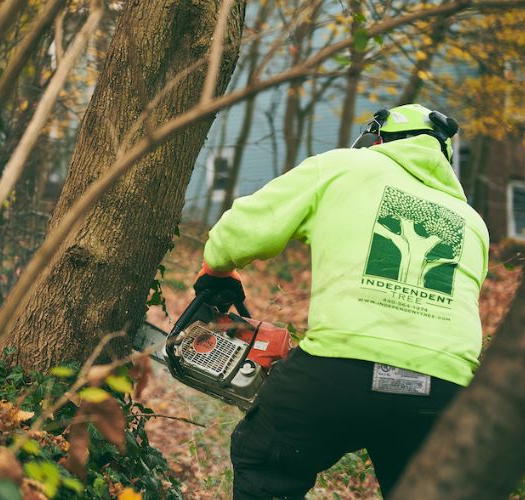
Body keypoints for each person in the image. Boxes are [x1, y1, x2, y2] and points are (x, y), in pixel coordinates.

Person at [194, 104, 489, 499]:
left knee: (266, 460)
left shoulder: (343, 167)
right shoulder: (472, 221)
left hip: (341, 371)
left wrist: (217, 267)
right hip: (443, 390)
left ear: (379, 138)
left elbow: (244, 229)